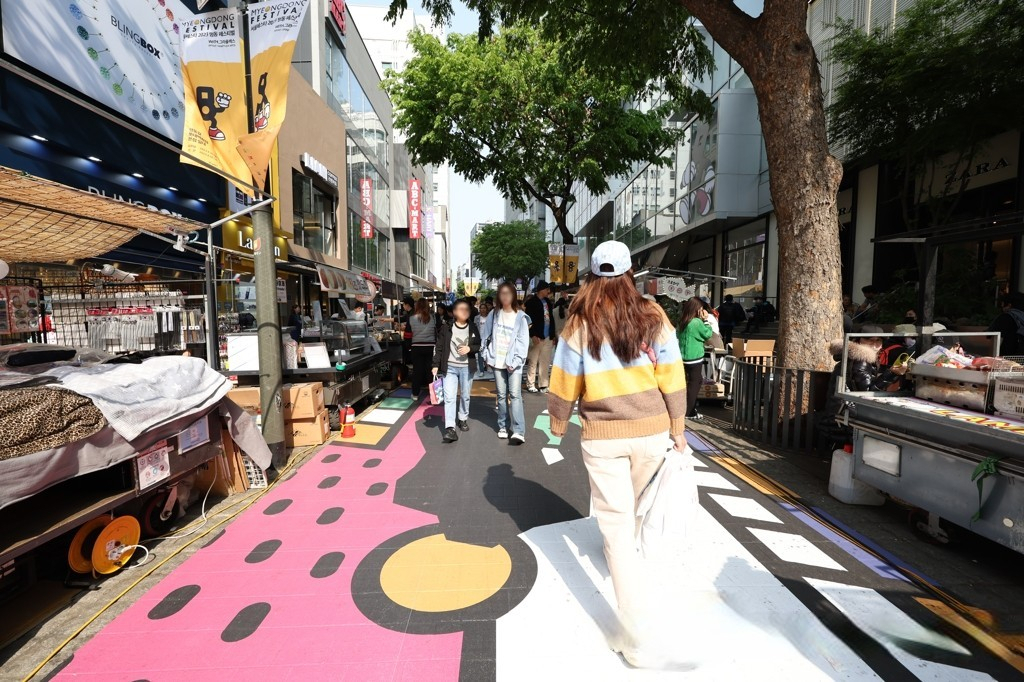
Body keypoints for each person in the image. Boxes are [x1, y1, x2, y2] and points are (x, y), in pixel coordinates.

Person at [547, 240, 687, 668]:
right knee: (635, 510)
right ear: (630, 272)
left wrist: (557, 421)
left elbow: (564, 375)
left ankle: (635, 637)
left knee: (616, 529)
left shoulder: (580, 320)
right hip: (651, 431)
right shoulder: (652, 314)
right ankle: (632, 570)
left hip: (603, 436)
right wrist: (678, 428)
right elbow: (672, 372)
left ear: (592, 273)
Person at [817, 327, 908, 451]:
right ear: (858, 340)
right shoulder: (861, 360)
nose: (874, 345)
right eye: (869, 340)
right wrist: (892, 373)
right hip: (843, 419)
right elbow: (868, 391)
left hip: (838, 414)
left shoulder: (853, 356)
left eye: (878, 341)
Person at [480, 281, 531, 443]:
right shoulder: (494, 314)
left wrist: (517, 360)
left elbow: (524, 342)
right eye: (502, 293)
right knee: (502, 396)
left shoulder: (520, 317)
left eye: (508, 293)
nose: (505, 296)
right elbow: (484, 335)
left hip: (514, 363)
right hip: (497, 361)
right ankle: (502, 425)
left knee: (515, 395)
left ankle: (518, 430)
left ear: (514, 295)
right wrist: (486, 354)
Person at [432, 299, 481, 443]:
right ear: (454, 312)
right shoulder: (446, 327)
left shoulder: (472, 327)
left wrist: (469, 348)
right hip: (450, 368)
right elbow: (439, 346)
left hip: (467, 367)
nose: (463, 311)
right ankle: (450, 428)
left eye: (466, 309)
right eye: (460, 309)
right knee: (450, 397)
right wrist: (435, 364)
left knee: (465, 396)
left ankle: (462, 418)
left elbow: (478, 344)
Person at [678, 297, 713, 421]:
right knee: (695, 384)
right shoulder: (696, 322)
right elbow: (707, 334)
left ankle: (687, 409)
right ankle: (689, 412)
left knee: (691, 383)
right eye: (701, 308)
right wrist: (706, 321)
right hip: (694, 357)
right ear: (697, 309)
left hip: (683, 356)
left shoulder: (683, 320)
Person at [524, 280, 557, 393]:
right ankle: (530, 383)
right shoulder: (531, 302)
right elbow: (528, 320)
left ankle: (543, 384)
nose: (548, 291)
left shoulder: (548, 302)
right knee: (533, 361)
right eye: (547, 289)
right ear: (541, 289)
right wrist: (532, 334)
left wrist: (553, 335)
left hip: (548, 336)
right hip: (537, 336)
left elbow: (551, 319)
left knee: (545, 361)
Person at [408, 298, 437, 399]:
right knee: (430, 370)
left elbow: (407, 334)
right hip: (430, 347)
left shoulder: (411, 318)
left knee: (417, 371)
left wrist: (409, 347)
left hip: (416, 347)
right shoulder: (433, 317)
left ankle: (415, 394)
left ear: (417, 306)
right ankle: (433, 394)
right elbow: (436, 332)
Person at [988, 292, 1024, 357]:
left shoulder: (1006, 317)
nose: (1002, 307)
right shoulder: (1021, 317)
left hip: (1007, 357)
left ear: (1009, 305)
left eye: (1003, 304)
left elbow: (995, 338)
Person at [474, 301, 494, 380]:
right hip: (479, 338)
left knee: (488, 353)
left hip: (488, 338)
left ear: (487, 309)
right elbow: (475, 328)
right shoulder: (477, 318)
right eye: (481, 308)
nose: (482, 310)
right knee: (480, 354)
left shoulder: (490, 317)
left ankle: (488, 366)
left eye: (484, 308)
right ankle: (481, 370)